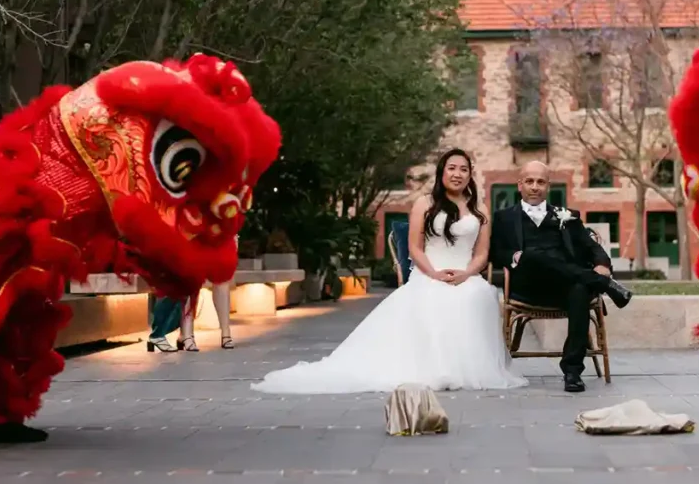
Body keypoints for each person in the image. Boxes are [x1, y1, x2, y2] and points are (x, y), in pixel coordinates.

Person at [251, 149, 527, 394]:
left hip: (466, 275)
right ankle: (432, 368)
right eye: (452, 168)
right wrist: (434, 273)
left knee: (475, 296)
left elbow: (481, 253)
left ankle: (466, 368)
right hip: (430, 273)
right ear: (442, 172)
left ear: (470, 175)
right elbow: (415, 249)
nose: (457, 174)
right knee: (434, 298)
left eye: (463, 169)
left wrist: (466, 274)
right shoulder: (424, 204)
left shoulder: (479, 208)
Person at [489, 161, 632, 393]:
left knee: (579, 290)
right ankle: (605, 286)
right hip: (528, 285)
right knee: (533, 256)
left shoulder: (567, 215)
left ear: (548, 186)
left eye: (540, 182)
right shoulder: (504, 218)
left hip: (565, 286)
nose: (535, 187)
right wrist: (515, 257)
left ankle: (573, 371)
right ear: (520, 185)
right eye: (529, 181)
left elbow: (590, 246)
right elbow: (495, 252)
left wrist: (603, 264)